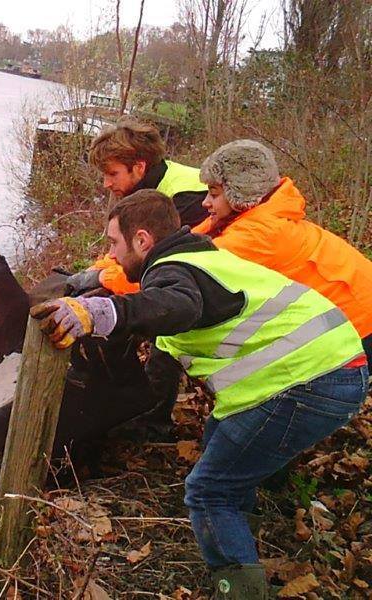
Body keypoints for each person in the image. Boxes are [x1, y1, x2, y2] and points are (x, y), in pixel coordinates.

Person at [31, 190, 368, 598]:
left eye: (113, 243)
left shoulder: (176, 271)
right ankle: (242, 538)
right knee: (218, 443)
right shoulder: (203, 259)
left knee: (209, 491)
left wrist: (107, 314)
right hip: (328, 370)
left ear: (142, 240)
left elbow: (176, 305)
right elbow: (165, 348)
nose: (110, 255)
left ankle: (239, 591)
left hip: (311, 380)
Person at [194, 139, 372, 365]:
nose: (205, 202)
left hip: (360, 323)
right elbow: (192, 240)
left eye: (214, 194)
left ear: (239, 194)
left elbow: (186, 267)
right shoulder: (265, 213)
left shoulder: (258, 235)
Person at [65, 117, 208, 297]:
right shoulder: (152, 184)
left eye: (112, 174)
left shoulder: (186, 200)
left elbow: (159, 271)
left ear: (139, 167)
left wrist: (101, 277)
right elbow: (121, 254)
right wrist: (93, 271)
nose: (106, 184)